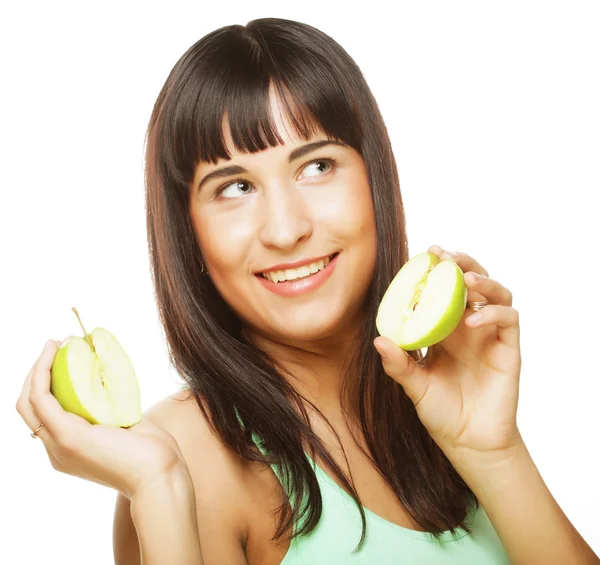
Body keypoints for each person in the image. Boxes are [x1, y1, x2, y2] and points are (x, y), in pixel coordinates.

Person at [16, 17, 599, 565]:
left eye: (317, 167)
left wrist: (494, 454)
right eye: (235, 186)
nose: (286, 228)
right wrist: (160, 487)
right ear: (187, 231)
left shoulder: (442, 405)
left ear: (374, 179)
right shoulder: (190, 457)